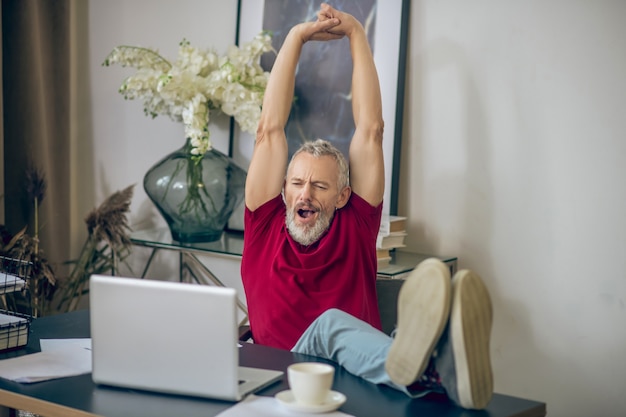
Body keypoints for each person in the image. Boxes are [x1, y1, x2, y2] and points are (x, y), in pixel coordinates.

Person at [242, 3, 494, 410]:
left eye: (320, 186)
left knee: (341, 331)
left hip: (352, 377)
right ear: (283, 190)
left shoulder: (355, 223)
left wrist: (357, 35)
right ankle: (429, 367)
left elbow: (371, 130)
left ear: (342, 196)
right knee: (328, 326)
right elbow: (269, 130)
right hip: (284, 380)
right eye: (297, 183)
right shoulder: (264, 225)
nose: (305, 194)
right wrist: (295, 37)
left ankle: (437, 365)